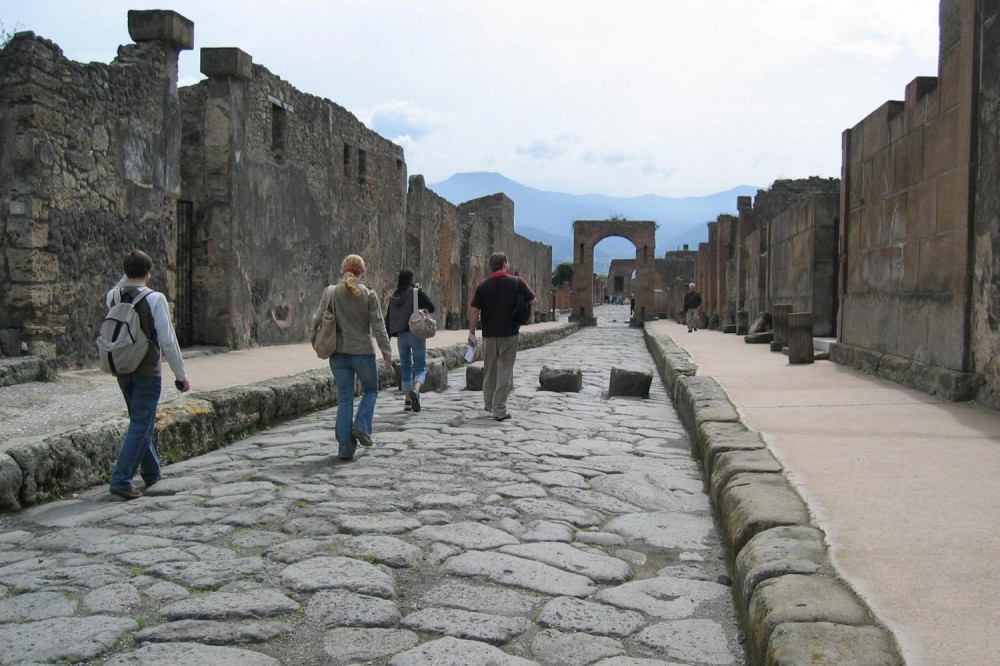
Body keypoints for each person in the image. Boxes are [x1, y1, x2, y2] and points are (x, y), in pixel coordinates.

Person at [105, 250, 189, 500]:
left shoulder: (113, 296)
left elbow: (122, 283)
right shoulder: (155, 299)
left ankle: (152, 473)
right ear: (149, 273)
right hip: (146, 371)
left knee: (140, 421)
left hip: (122, 367)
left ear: (126, 272)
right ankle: (121, 478)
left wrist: (129, 270)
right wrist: (180, 375)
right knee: (142, 423)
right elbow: (167, 340)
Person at [315, 254, 393, 461]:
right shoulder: (368, 294)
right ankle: (360, 426)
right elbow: (378, 327)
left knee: (344, 399)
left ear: (344, 269)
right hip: (363, 352)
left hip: (338, 353)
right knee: (371, 390)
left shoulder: (331, 292)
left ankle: (345, 449)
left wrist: (314, 339)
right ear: (362, 271)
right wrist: (387, 355)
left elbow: (317, 319)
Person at [467, 252, 537, 421]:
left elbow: (475, 310)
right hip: (509, 332)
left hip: (489, 334)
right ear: (505, 263)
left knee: (490, 370)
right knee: (504, 370)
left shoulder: (483, 285)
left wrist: (471, 333)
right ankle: (499, 409)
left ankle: (489, 404)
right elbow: (534, 301)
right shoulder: (516, 282)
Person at [385, 269, 435, 413]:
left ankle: (407, 401)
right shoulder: (415, 292)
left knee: (406, 367)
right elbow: (431, 307)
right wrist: (420, 291)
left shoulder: (394, 297)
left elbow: (388, 319)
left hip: (401, 336)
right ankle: (416, 390)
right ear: (411, 279)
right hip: (415, 334)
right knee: (420, 367)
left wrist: (387, 342)